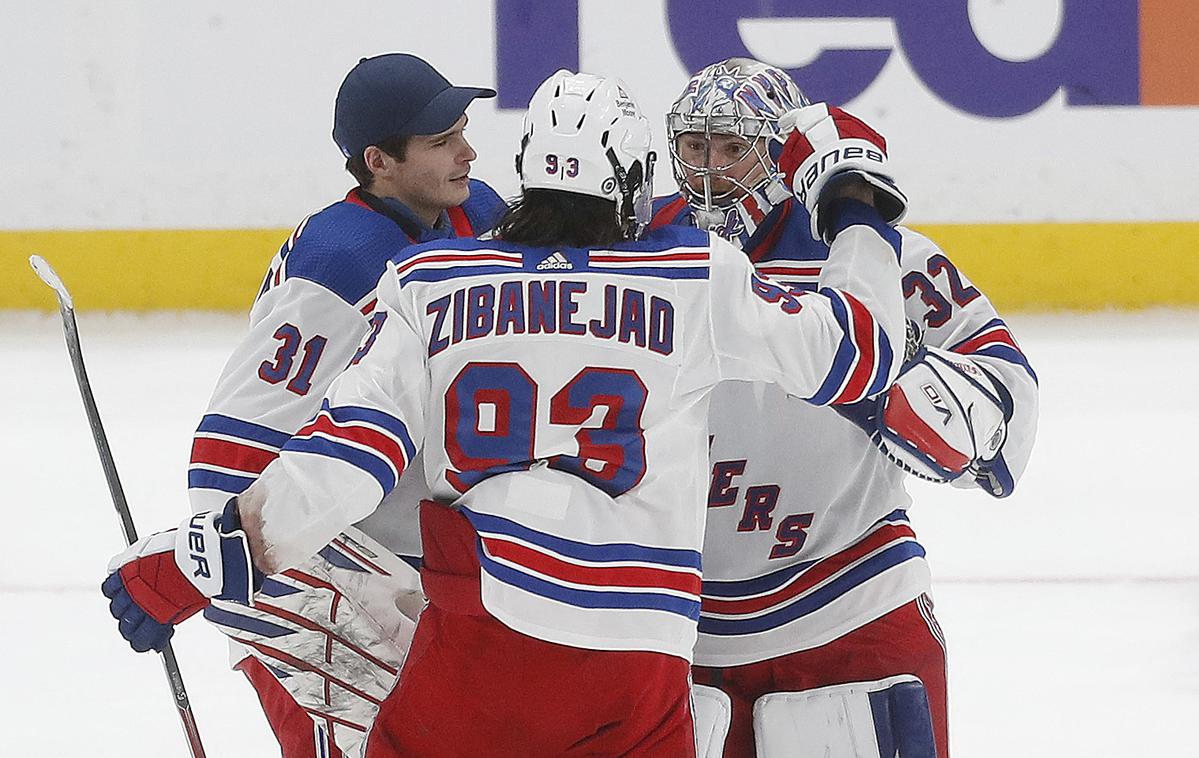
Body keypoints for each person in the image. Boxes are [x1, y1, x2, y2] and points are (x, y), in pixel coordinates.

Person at [102, 69, 912, 757]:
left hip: (475, 653)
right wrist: (854, 207)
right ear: (631, 183)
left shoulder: (428, 279)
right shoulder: (697, 278)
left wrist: (188, 567)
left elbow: (344, 460)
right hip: (635, 677)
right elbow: (862, 353)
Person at [656, 58, 1039, 757]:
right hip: (675, 622)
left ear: (781, 152)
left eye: (733, 147)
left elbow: (1006, 413)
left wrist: (904, 401)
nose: (708, 169)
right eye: (693, 146)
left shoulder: (881, 256)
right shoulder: (638, 253)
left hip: (852, 602)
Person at [184, 53, 505, 758]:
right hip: (341, 578)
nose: (468, 150)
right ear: (379, 161)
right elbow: (227, 455)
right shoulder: (341, 261)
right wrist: (235, 582)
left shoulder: (476, 212)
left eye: (464, 129)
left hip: (435, 565)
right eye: (442, 140)